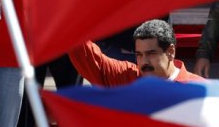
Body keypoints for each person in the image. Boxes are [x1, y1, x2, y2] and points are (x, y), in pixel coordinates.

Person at [69, 19, 203, 87]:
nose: (144, 62)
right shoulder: (128, 77)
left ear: (170, 52)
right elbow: (88, 57)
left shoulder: (197, 90)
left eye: (151, 54)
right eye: (139, 54)